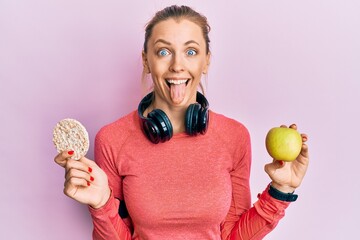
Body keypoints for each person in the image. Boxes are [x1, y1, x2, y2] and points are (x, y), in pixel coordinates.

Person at [54, 5, 309, 240]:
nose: (177, 65)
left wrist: (282, 188)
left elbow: (234, 236)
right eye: (164, 51)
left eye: (191, 51)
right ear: (146, 60)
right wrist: (101, 203)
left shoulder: (234, 136)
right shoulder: (112, 139)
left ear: (206, 60)